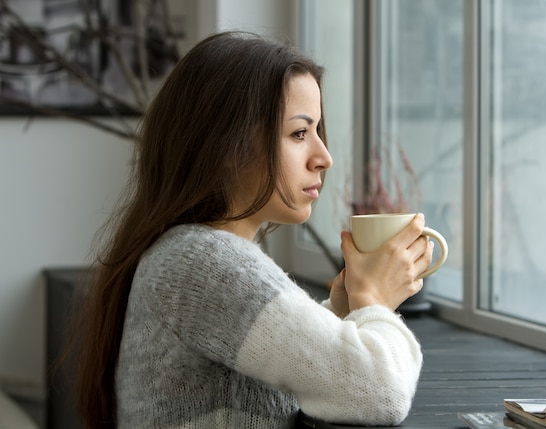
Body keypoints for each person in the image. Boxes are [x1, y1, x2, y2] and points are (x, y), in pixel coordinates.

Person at [72, 31, 434, 429]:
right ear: (229, 146)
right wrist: (375, 300)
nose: (324, 157)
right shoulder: (205, 264)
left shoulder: (190, 254)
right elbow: (378, 391)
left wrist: (342, 312)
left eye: (317, 131)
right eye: (299, 133)